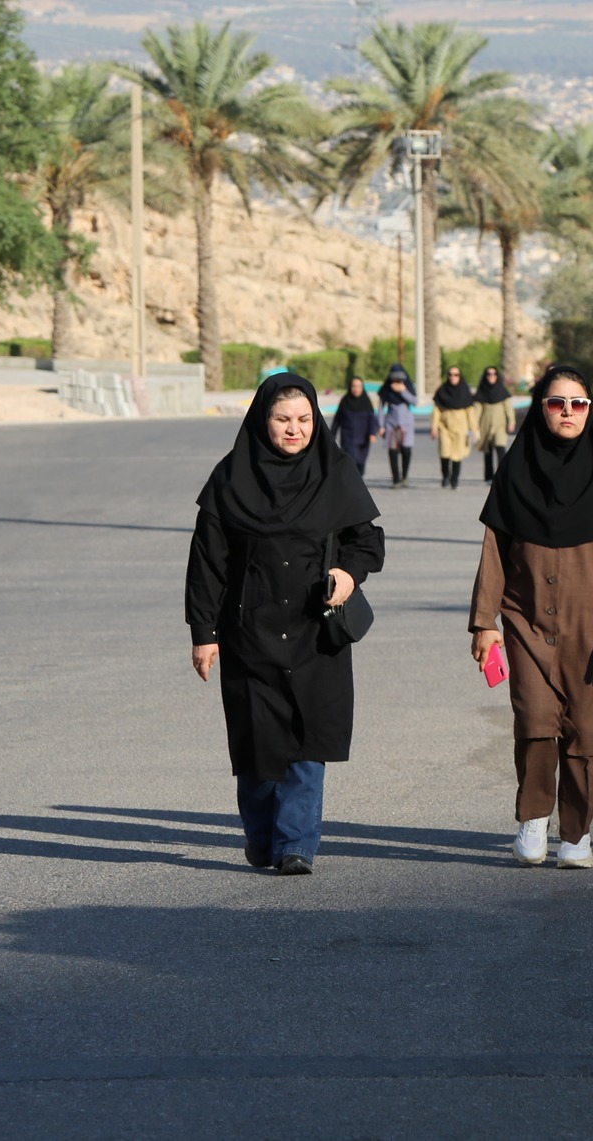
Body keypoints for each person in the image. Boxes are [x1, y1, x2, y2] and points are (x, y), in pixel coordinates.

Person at [186, 373, 386, 875]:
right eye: (282, 419)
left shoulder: (335, 471)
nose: (294, 429)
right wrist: (204, 634)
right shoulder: (230, 478)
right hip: (249, 631)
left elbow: (367, 541)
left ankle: (297, 843)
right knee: (257, 745)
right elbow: (207, 564)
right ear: (263, 420)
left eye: (303, 419)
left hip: (316, 630)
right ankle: (261, 836)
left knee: (307, 739)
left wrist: (348, 573)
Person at [469, 364, 593, 869]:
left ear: (590, 410)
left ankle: (577, 835)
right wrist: (485, 622)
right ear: (540, 409)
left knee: (587, 735)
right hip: (526, 622)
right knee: (534, 722)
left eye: (578, 403)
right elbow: (494, 551)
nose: (568, 412)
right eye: (556, 403)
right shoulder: (515, 471)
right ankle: (534, 822)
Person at [432, 365, 476, 489]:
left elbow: (470, 412)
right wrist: (434, 427)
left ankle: (455, 479)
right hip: (444, 427)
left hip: (461, 427)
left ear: (460, 376)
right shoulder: (442, 391)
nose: (453, 377)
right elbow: (437, 411)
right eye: (450, 374)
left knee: (457, 454)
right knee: (444, 452)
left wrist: (474, 429)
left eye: (456, 375)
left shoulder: (465, 392)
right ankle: (445, 476)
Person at [473, 365, 517, 483]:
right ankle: (489, 476)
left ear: (497, 376)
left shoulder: (502, 391)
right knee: (488, 450)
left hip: (500, 424)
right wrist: (475, 424)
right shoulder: (481, 392)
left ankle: (502, 475)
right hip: (485, 424)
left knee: (500, 447)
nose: (491, 376)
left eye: (494, 374)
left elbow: (509, 408)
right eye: (489, 374)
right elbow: (477, 410)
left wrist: (511, 422)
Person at [330, 376, 379, 476]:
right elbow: (337, 420)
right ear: (350, 387)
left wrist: (372, 433)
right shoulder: (345, 401)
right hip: (348, 439)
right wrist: (331, 435)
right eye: (354, 386)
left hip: (363, 441)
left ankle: (358, 482)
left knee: (360, 465)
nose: (356, 389)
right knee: (350, 464)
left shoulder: (366, 402)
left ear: (362, 387)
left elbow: (372, 420)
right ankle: (351, 483)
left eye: (359, 386)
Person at [378, 363, 416, 488]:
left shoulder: (407, 386)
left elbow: (414, 401)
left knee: (406, 450)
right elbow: (380, 408)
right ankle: (395, 479)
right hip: (391, 424)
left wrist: (403, 391)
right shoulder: (386, 389)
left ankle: (404, 476)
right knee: (393, 451)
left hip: (406, 425)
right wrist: (381, 426)